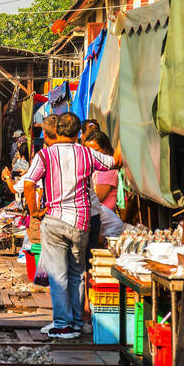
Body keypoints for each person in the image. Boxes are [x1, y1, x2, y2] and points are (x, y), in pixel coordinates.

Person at [23, 113, 121, 339]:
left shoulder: (44, 155)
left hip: (55, 220)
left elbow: (29, 184)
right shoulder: (88, 153)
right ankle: (76, 323)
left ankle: (63, 324)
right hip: (81, 221)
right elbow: (115, 161)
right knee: (77, 272)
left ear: (56, 130)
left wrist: (36, 211)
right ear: (79, 133)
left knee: (58, 275)